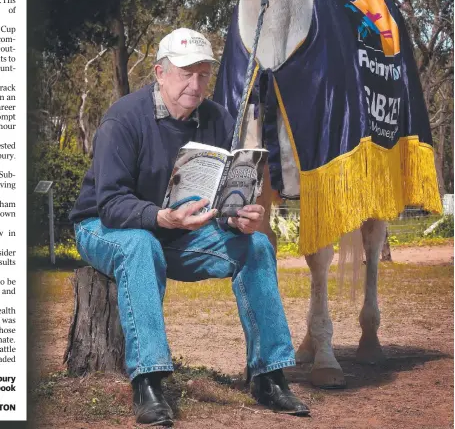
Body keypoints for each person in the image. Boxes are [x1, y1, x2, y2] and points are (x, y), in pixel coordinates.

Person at [69, 28, 309, 426]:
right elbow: (110, 204)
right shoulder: (123, 119)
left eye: (202, 75)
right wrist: (162, 217)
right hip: (103, 226)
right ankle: (148, 382)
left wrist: (239, 216)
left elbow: (222, 193)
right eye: (185, 74)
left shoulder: (217, 118)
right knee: (139, 245)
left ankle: (269, 375)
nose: (195, 85)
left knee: (258, 247)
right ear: (160, 73)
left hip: (180, 231)